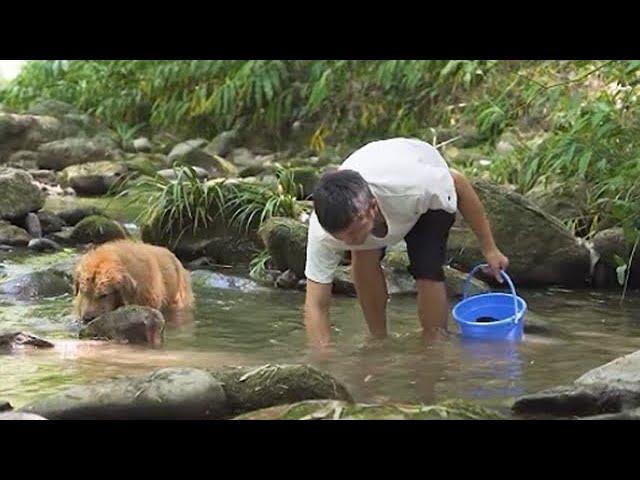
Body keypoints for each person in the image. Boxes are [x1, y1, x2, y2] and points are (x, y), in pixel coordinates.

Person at [303, 137, 509, 348]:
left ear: (372, 208)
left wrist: (489, 249)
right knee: (362, 257)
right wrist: (322, 359)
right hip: (375, 177)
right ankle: (378, 339)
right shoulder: (322, 232)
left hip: (420, 189)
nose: (348, 242)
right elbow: (315, 304)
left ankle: (435, 341)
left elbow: (459, 183)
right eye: (341, 237)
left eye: (353, 232)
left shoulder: (418, 187)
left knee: (427, 268)